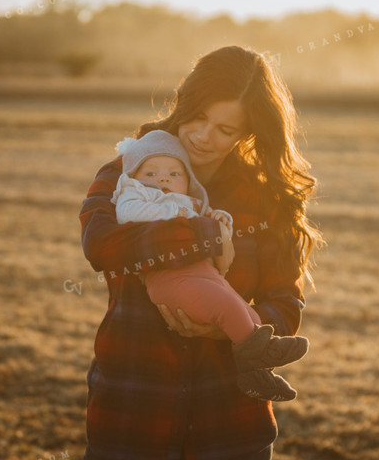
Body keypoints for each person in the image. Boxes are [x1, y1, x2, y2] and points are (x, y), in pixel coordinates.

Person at [75, 45, 323, 460]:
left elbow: (285, 302)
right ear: (183, 104)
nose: (204, 137)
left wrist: (233, 325)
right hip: (133, 403)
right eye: (198, 118)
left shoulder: (264, 197)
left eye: (226, 130)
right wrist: (207, 235)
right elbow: (103, 246)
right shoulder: (131, 175)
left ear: (248, 134)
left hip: (230, 416)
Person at [110, 129, 309, 401]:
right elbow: (128, 213)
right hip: (172, 281)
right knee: (226, 306)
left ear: (188, 181)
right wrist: (187, 217)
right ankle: (257, 355)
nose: (163, 178)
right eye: (151, 174)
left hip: (204, 273)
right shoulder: (139, 197)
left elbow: (213, 225)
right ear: (134, 179)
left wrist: (218, 219)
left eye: (174, 173)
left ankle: (256, 371)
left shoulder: (191, 201)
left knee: (242, 309)